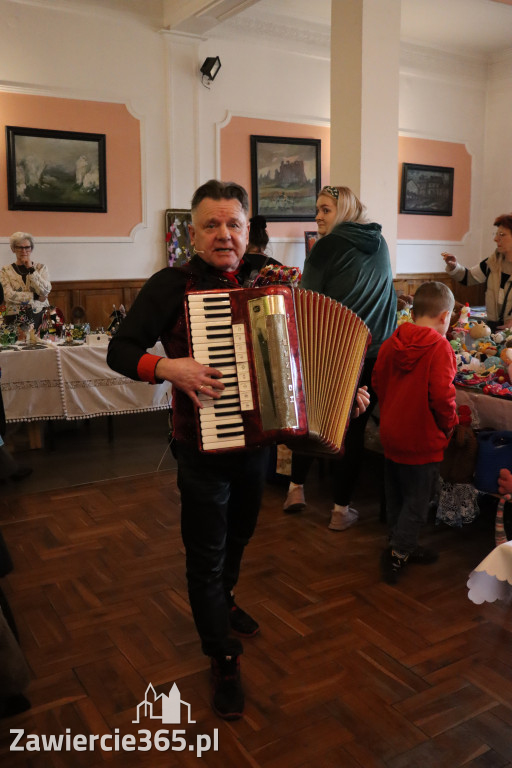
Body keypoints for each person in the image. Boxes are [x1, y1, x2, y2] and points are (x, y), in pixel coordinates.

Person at [283, 185, 397, 531]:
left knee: (312, 420)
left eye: (326, 210)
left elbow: (308, 302)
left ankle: (295, 489)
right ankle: (340, 510)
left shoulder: (326, 246)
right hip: (374, 351)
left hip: (333, 351)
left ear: (345, 210)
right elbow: (387, 296)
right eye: (317, 209)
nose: (318, 216)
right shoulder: (380, 243)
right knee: (354, 430)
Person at [372, 281, 458, 584]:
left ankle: (399, 541)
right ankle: (399, 552)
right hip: (422, 439)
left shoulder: (391, 341)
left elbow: (378, 382)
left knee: (396, 495)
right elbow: (443, 396)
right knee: (419, 501)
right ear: (445, 316)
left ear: (414, 312)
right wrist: (450, 423)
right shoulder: (440, 347)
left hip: (391, 433)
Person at [442, 213, 512, 332]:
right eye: (496, 234)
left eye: (502, 235)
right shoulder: (492, 263)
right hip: (492, 328)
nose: (495, 239)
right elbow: (468, 277)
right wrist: (454, 266)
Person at [1, 232, 51, 330]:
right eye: (19, 247)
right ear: (13, 249)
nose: (23, 251)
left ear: (31, 248)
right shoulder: (5, 271)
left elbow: (45, 291)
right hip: (14, 318)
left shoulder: (41, 268)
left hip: (39, 316)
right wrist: (35, 296)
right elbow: (8, 296)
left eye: (27, 247)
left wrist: (31, 269)